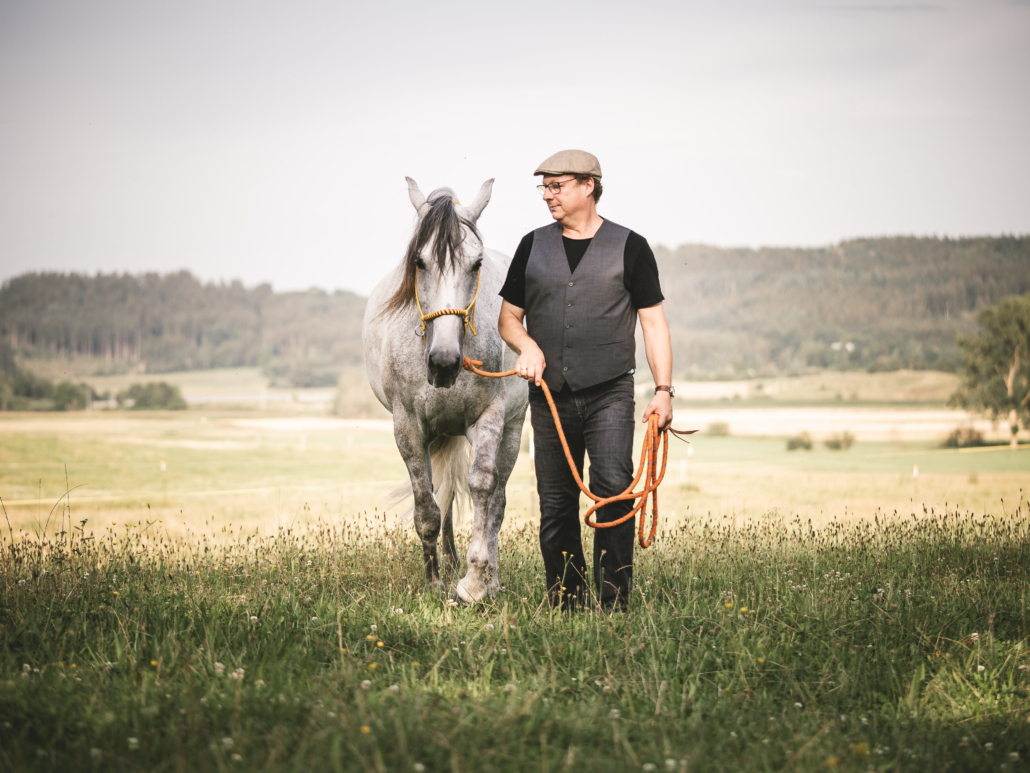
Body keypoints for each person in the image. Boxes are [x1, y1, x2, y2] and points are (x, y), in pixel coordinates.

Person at [497, 149, 674, 611]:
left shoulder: (631, 246)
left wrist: (662, 391)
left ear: (588, 185)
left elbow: (653, 323)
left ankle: (615, 605)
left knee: (613, 491)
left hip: (611, 392)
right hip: (549, 396)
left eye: (557, 186)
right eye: (544, 187)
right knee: (555, 503)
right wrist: (528, 347)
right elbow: (508, 319)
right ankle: (568, 603)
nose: (547, 196)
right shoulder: (531, 245)